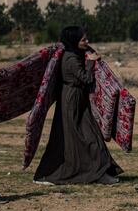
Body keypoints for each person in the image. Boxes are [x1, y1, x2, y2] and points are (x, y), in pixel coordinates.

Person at [33, 26, 123, 185]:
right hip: (72, 101)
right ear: (74, 41)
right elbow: (86, 79)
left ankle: (100, 172)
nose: (87, 42)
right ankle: (94, 173)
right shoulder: (71, 59)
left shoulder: (73, 55)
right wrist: (90, 62)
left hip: (75, 99)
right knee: (86, 138)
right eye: (83, 40)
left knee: (90, 135)